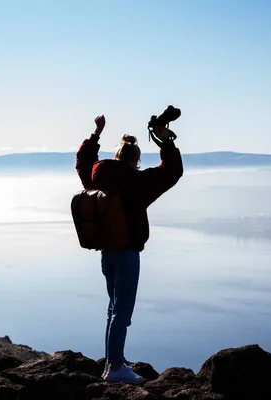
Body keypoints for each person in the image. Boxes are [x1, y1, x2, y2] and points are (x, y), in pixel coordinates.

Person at [75, 114, 184, 384]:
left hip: (106, 253)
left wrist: (96, 134)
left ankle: (113, 363)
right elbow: (172, 172)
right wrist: (165, 141)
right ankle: (114, 368)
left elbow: (82, 163)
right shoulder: (137, 183)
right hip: (127, 254)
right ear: (134, 160)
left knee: (113, 310)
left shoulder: (97, 177)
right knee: (122, 313)